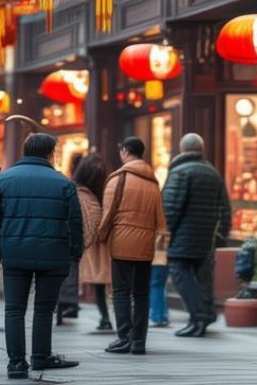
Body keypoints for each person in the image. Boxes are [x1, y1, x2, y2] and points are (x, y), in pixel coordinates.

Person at [0, 132, 83, 380]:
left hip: (14, 253)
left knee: (14, 310)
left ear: (25, 150)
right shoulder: (63, 183)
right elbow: (75, 224)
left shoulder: (3, 180)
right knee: (44, 309)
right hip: (54, 254)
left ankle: (16, 364)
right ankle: (41, 356)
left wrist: (0, 250)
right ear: (51, 153)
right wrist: (75, 254)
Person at [99, 136, 167, 356]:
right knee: (141, 294)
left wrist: (100, 236)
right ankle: (139, 342)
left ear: (126, 151)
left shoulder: (118, 178)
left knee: (120, 292)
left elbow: (107, 214)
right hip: (146, 245)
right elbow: (160, 219)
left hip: (121, 243)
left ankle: (124, 338)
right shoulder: (153, 181)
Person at [161, 132, 232, 338]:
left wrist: (167, 233)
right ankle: (199, 319)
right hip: (206, 237)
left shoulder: (179, 172)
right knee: (203, 279)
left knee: (179, 273)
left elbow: (171, 208)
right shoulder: (212, 172)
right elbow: (224, 207)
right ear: (201, 149)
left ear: (182, 149)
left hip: (183, 237)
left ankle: (200, 315)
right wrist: (221, 235)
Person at [72, 154, 112, 332]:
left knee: (99, 284)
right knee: (103, 284)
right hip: (104, 245)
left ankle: (105, 318)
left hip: (94, 246)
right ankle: (106, 318)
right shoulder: (102, 190)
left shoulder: (80, 192)